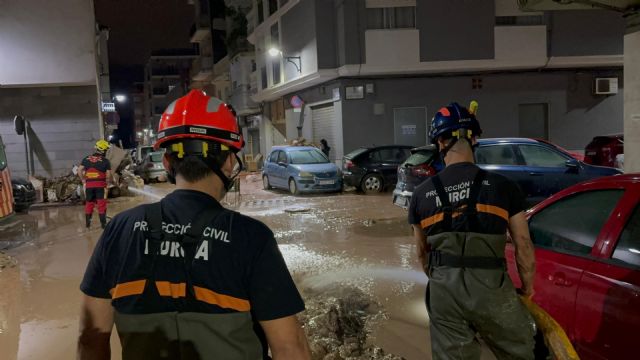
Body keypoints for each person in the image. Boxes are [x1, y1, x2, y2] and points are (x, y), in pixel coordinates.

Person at [77, 90, 311, 360]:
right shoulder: (251, 237)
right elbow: (290, 347)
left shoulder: (119, 230)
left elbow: (90, 338)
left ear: (167, 162)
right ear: (228, 161)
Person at [408, 102, 536, 359]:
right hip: (493, 289)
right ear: (475, 138)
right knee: (520, 352)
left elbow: (422, 254)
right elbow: (523, 245)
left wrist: (443, 281)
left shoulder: (421, 194)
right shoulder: (504, 187)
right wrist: (527, 289)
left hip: (445, 291)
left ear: (440, 142)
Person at [78, 140, 112, 229]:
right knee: (101, 204)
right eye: (106, 150)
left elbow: (79, 170)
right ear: (103, 150)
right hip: (100, 186)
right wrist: (107, 184)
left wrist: (83, 180)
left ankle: (88, 225)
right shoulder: (105, 161)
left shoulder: (86, 159)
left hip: (89, 186)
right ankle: (103, 225)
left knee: (89, 204)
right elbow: (108, 174)